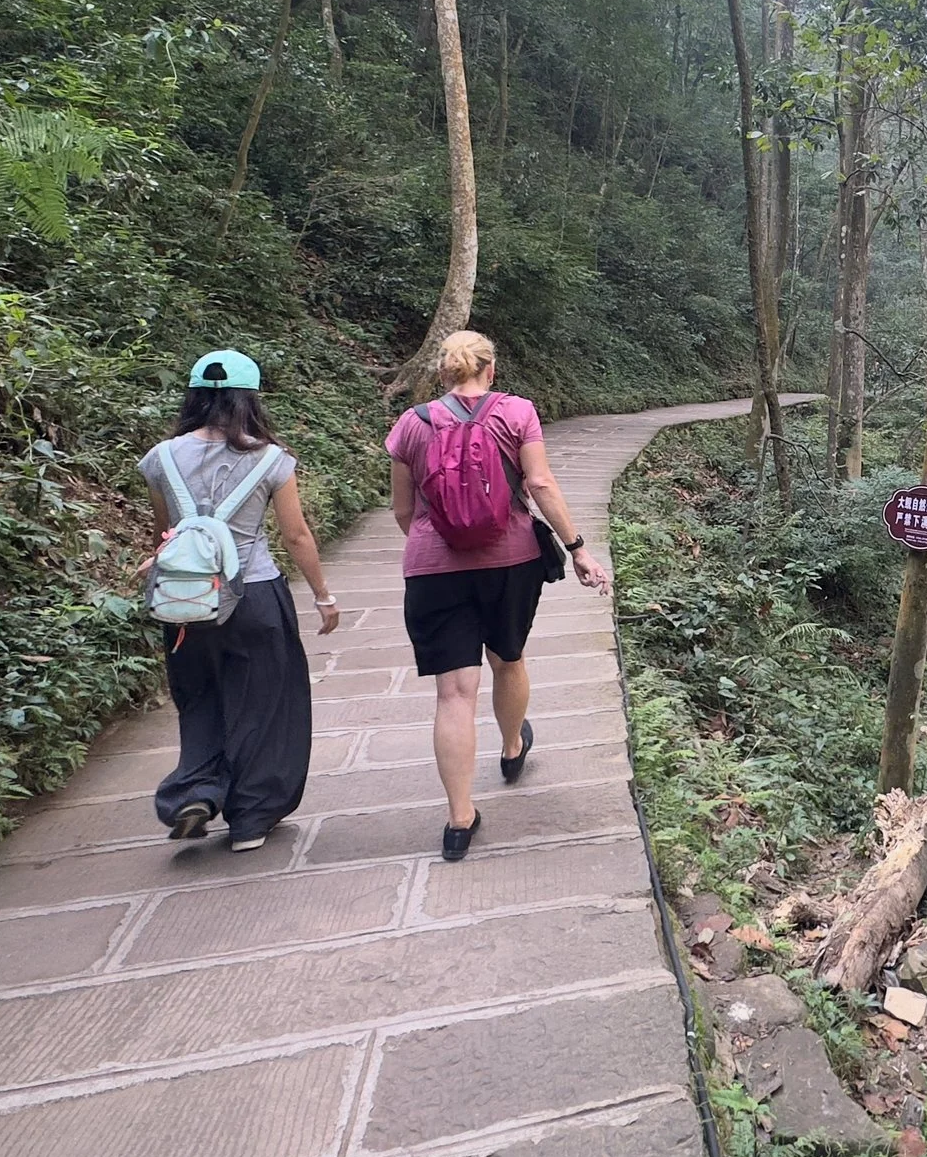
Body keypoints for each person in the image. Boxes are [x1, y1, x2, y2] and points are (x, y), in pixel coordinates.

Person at [389, 329, 608, 862]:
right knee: (508, 658)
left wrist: (435, 547)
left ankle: (460, 820)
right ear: (490, 371)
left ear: (441, 373)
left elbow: (401, 509)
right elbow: (540, 485)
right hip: (510, 561)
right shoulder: (516, 413)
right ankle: (512, 748)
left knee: (453, 694)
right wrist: (577, 549)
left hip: (433, 569)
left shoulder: (411, 425)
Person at [139, 349, 340, 851]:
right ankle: (251, 817)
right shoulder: (272, 459)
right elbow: (295, 536)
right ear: (249, 398)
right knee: (265, 705)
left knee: (199, 697)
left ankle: (197, 792)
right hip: (254, 596)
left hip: (188, 603)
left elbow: (165, 533)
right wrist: (322, 595)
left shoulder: (161, 458)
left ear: (194, 396)